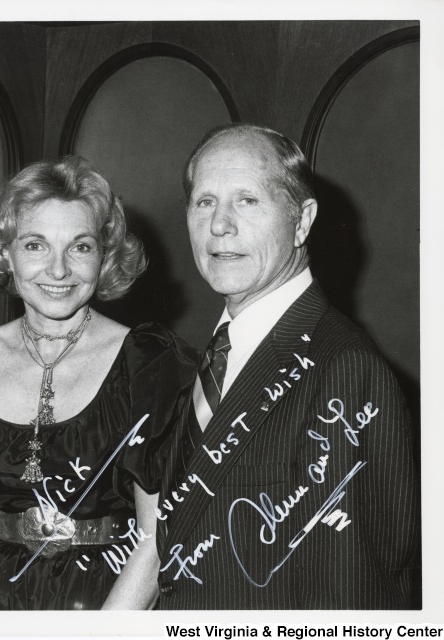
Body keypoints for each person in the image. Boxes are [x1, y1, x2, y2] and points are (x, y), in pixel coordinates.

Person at [0, 156, 196, 610]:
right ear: (5, 252)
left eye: (80, 247)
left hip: (109, 605)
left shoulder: (151, 365)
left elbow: (157, 536)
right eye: (36, 245)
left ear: (105, 256)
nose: (58, 270)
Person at [156, 123, 420, 608]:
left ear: (302, 221)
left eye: (247, 201)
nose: (219, 225)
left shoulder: (344, 369)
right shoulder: (211, 356)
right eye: (204, 202)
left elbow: (350, 594)